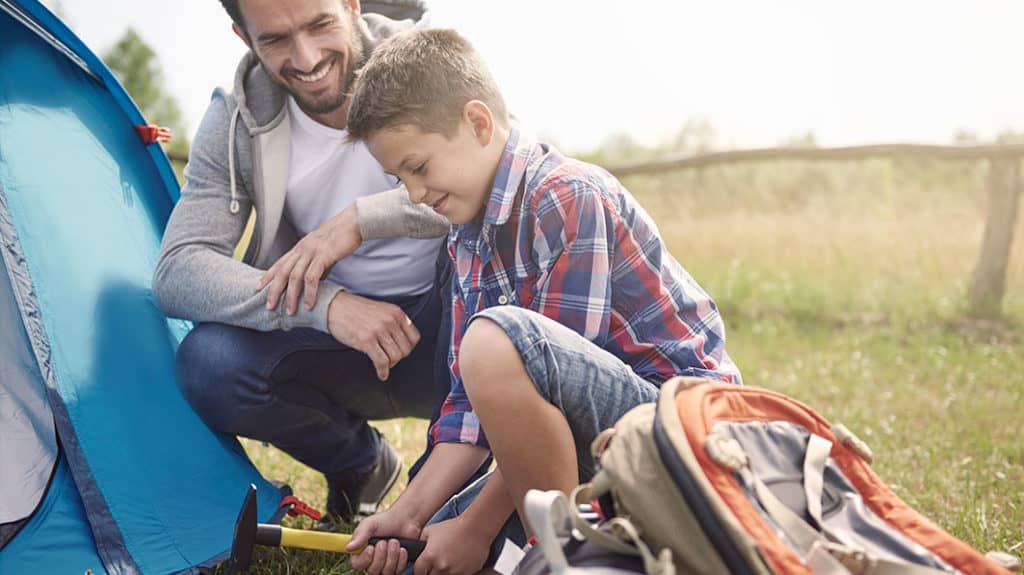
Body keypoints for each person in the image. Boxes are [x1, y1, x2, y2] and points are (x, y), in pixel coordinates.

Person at [336, 28, 744, 574]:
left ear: (478, 124)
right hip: (585, 448)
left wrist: (477, 528)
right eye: (398, 177)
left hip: (679, 437)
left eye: (419, 167)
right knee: (424, 557)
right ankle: (566, 551)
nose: (412, 194)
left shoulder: (566, 197)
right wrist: (409, 514)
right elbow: (469, 413)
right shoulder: (465, 233)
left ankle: (565, 558)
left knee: (494, 344)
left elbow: (541, 382)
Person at [152, 0, 454, 525]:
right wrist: (329, 307)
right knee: (210, 362)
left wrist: (359, 220)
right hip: (338, 343)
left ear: (352, 6)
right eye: (276, 40)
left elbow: (504, 172)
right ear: (244, 38)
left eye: (320, 26)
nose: (307, 57)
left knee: (508, 313)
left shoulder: (429, 63)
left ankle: (456, 473)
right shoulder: (235, 117)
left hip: (451, 322)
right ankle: (361, 464)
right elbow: (179, 266)